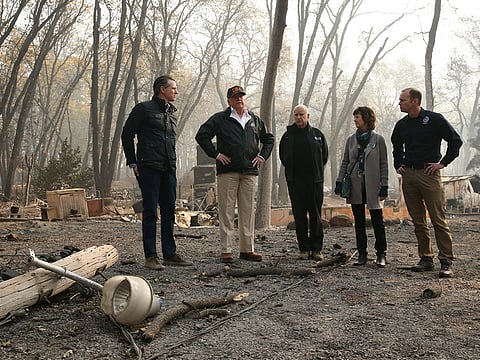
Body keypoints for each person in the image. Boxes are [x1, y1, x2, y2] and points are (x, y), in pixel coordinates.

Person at [195, 85, 274, 263]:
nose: (239, 99)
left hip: (249, 171)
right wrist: (215, 154)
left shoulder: (253, 119)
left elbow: (268, 138)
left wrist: (262, 156)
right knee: (227, 211)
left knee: (247, 212)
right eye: (235, 97)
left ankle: (247, 249)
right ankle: (226, 250)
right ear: (229, 100)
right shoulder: (221, 119)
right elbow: (202, 135)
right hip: (228, 171)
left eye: (241, 96)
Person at [121, 75, 192, 270]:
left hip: (169, 167)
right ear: (162, 89)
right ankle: (151, 256)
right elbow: (127, 134)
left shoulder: (172, 113)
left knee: (169, 210)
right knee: (151, 211)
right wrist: (132, 161)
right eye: (173, 89)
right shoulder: (143, 109)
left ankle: (170, 253)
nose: (176, 92)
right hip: (148, 167)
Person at [391, 88, 463, 278]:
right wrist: (398, 164)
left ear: (415, 101)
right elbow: (396, 146)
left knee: (438, 218)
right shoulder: (402, 125)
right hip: (409, 175)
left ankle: (446, 260)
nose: (399, 103)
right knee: (418, 220)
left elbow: (455, 141)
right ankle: (426, 258)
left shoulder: (434, 119)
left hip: (429, 173)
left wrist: (442, 163)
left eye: (403, 100)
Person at [335, 106, 389, 267]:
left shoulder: (378, 139)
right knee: (358, 221)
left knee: (377, 221)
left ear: (366, 118)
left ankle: (381, 254)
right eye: (355, 117)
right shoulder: (351, 139)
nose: (355, 120)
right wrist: (339, 181)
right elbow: (345, 161)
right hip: (355, 185)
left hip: (373, 185)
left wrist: (384, 185)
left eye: (357, 117)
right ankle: (362, 254)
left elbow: (384, 164)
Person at [279, 104, 328, 260]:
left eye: (301, 114)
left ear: (308, 116)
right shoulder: (287, 136)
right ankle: (303, 249)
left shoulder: (317, 135)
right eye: (296, 115)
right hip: (295, 182)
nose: (298, 118)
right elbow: (283, 157)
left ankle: (317, 249)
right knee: (299, 216)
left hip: (314, 182)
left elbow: (324, 156)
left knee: (315, 216)